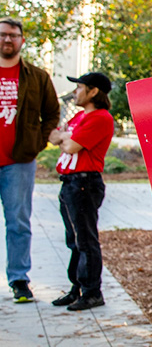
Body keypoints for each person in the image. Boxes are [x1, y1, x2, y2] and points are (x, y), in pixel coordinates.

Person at [0, 17, 61, 303]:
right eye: (2, 35)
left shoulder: (37, 77)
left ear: (22, 40)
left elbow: (51, 114)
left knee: (18, 223)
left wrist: (39, 143)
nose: (7, 40)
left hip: (19, 161)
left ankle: (19, 280)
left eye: (13, 35)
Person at [47, 73, 115, 312]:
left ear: (93, 91)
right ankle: (77, 288)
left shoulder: (101, 118)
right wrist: (66, 137)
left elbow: (71, 145)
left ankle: (92, 291)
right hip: (69, 183)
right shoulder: (79, 117)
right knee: (73, 239)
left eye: (79, 88)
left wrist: (66, 137)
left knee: (86, 239)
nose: (75, 92)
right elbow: (55, 136)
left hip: (85, 184)